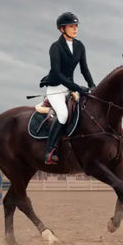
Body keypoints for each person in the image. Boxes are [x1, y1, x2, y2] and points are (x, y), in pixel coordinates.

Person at [39, 12, 96, 165]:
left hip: (70, 87)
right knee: (63, 114)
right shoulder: (55, 47)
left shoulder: (79, 46)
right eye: (71, 26)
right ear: (62, 29)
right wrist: (77, 88)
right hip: (55, 87)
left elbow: (84, 69)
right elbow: (57, 72)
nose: (75, 29)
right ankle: (50, 152)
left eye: (76, 26)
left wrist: (92, 86)